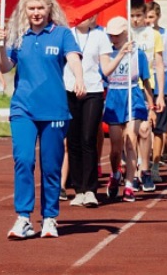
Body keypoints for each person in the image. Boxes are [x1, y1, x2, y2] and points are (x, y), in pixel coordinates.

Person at [0, 0, 85, 239]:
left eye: (40, 8)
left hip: (55, 110)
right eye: (31, 8)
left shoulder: (62, 34)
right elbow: (4, 67)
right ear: (25, 11)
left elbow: (74, 58)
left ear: (49, 10)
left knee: (51, 166)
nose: (36, 13)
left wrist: (79, 78)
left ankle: (49, 218)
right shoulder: (18, 37)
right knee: (23, 160)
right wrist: (0, 46)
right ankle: (24, 217)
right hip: (23, 108)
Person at [100, 16, 154, 202]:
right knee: (116, 147)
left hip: (133, 97)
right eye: (111, 35)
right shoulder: (106, 53)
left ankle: (130, 184)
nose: (113, 39)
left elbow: (146, 80)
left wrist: (152, 104)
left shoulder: (138, 53)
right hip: (115, 99)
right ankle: (115, 174)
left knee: (130, 140)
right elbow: (102, 76)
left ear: (125, 33)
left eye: (117, 35)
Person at [64, 16, 111, 208]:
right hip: (68, 90)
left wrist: (123, 53)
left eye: (93, 13)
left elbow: (106, 68)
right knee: (72, 141)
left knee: (88, 138)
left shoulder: (100, 35)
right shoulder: (66, 33)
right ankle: (79, 190)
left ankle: (91, 190)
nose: (88, 17)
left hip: (92, 90)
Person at [128, 0, 165, 191]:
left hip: (148, 87)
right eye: (132, 16)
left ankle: (145, 170)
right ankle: (132, 173)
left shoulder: (153, 35)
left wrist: (160, 94)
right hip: (130, 87)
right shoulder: (125, 33)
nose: (135, 20)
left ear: (145, 15)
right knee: (132, 132)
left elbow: (159, 64)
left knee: (145, 130)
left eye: (139, 16)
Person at [146, 2, 167, 185]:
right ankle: (140, 164)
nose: (149, 21)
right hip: (143, 86)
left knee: (159, 128)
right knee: (142, 128)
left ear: (158, 16)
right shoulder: (139, 34)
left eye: (152, 17)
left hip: (160, 86)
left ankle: (156, 165)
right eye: (146, 17)